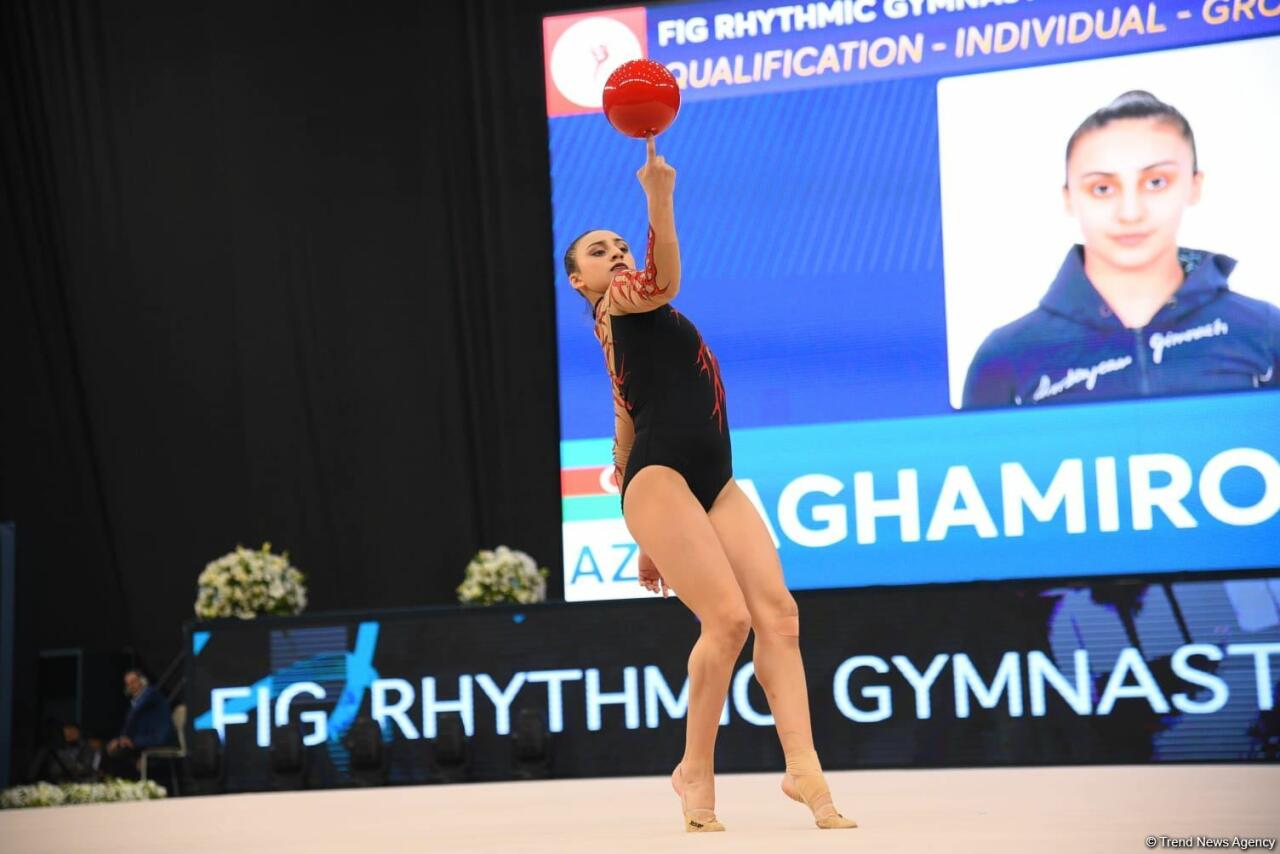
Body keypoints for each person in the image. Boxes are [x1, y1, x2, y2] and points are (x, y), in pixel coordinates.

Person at [563, 136, 856, 832]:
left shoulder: (636, 326)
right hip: (662, 475)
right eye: (599, 251)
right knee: (727, 620)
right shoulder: (621, 304)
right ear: (580, 281)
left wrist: (648, 537)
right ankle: (695, 771)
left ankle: (803, 767)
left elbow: (624, 417)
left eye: (620, 245)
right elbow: (662, 279)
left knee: (778, 614)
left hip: (710, 479)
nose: (616, 253)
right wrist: (658, 198)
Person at [963, 90, 1280, 409]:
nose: (1130, 212)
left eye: (1156, 182)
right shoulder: (1007, 357)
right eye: (1102, 188)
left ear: (1194, 186)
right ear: (1069, 198)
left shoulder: (1265, 332)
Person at [103, 669, 175, 779]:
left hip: (157, 740)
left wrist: (123, 740)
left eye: (134, 682)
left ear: (143, 681)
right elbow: (131, 724)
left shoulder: (150, 694)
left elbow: (132, 718)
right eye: (128, 684)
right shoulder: (136, 701)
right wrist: (121, 739)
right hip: (145, 739)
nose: (131, 686)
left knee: (119, 751)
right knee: (112, 749)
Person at [28, 722, 100, 783]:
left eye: (72, 730)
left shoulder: (85, 747)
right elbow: (49, 769)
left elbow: (86, 767)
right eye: (66, 730)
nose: (68, 733)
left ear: (78, 732)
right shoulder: (54, 747)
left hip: (79, 782)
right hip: (56, 782)